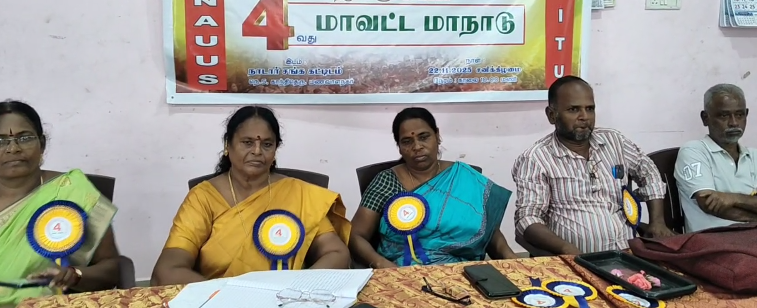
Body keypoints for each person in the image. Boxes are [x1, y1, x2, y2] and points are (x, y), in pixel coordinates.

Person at [151, 106, 351, 285]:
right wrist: (226, 297)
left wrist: (298, 287)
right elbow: (168, 269)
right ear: (228, 145)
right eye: (247, 142)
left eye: (267, 144)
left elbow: (336, 252)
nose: (257, 151)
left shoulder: (299, 193)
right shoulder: (203, 198)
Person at [512, 76, 675, 255]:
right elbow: (528, 218)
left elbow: (649, 172)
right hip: (578, 259)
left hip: (630, 253)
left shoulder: (614, 141)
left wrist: (657, 222)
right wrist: (566, 249)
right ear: (552, 115)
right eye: (573, 110)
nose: (584, 117)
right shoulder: (536, 158)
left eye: (590, 109)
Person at [350, 107, 517, 268]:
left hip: (464, 270)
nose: (417, 147)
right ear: (399, 147)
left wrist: (512, 260)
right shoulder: (386, 181)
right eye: (407, 141)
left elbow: (490, 231)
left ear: (437, 136)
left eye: (424, 137)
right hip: (402, 271)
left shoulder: (464, 177)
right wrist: (381, 264)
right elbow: (355, 235)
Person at [0, 101, 121, 307]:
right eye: (1, 141)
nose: (13, 149)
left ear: (42, 144)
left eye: (25, 138)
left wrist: (75, 275)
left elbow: (112, 268)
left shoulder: (72, 190)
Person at [675, 84, 757, 232]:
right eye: (724, 116)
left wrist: (732, 198)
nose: (734, 123)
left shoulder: (754, 156)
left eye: (739, 114)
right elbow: (709, 204)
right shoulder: (694, 151)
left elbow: (724, 202)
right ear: (705, 118)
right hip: (713, 239)